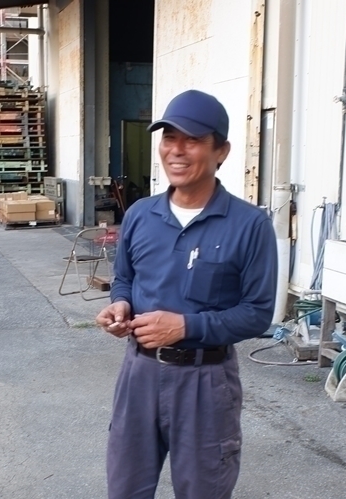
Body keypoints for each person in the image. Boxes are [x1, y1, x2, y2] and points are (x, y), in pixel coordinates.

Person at [95, 90, 277, 499]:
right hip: (138, 376)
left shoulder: (249, 225)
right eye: (169, 138)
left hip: (205, 382)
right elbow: (124, 279)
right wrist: (120, 305)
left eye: (192, 140)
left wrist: (185, 326)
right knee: (125, 489)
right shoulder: (140, 215)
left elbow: (257, 313)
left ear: (221, 151)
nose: (176, 151)